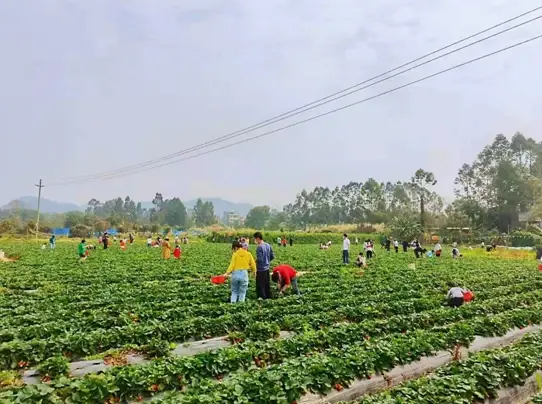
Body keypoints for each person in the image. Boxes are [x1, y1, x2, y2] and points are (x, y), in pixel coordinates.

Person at [254, 231, 274, 300]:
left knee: (260, 285)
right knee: (267, 284)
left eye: (255, 239)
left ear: (258, 238)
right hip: (267, 268)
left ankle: (263, 299)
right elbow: (272, 256)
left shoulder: (259, 247)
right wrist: (267, 261)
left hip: (261, 269)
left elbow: (260, 259)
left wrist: (254, 262)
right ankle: (269, 298)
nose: (255, 241)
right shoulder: (268, 245)